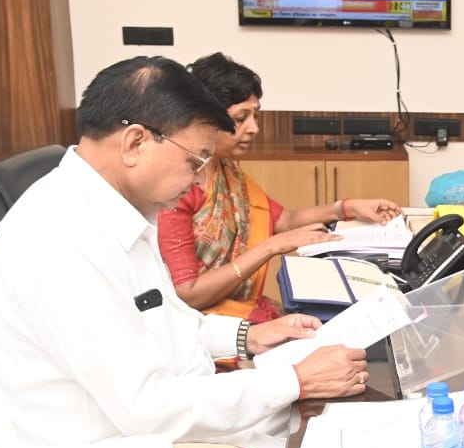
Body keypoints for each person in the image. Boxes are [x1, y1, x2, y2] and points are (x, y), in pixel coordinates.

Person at [0, 57, 372, 448]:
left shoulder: (114, 212)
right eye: (194, 161)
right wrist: (294, 380)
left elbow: (164, 321)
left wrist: (250, 336)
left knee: (345, 429)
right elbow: (146, 408)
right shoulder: (62, 240)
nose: (200, 179)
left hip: (168, 429)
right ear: (135, 143)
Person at [158, 53, 402, 322]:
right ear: (206, 117)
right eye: (241, 118)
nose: (254, 128)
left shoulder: (226, 173)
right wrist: (270, 247)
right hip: (204, 326)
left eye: (255, 116)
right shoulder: (177, 189)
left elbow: (284, 219)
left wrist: (348, 207)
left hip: (241, 310)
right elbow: (187, 295)